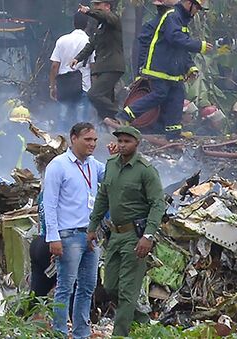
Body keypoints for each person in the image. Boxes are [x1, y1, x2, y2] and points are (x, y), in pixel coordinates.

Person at [87, 126, 165, 336]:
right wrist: (93, 226)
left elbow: (158, 204)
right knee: (111, 286)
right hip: (115, 234)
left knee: (127, 289)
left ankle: (120, 334)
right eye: (119, 141)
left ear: (137, 144)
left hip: (136, 236)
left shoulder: (145, 170)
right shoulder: (111, 165)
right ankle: (143, 320)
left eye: (126, 141)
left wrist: (148, 236)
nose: (122, 145)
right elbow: (103, 197)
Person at [43, 122, 105, 339]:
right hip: (68, 235)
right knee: (65, 287)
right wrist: (53, 237)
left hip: (90, 235)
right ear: (73, 138)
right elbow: (48, 204)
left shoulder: (94, 165)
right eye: (88, 140)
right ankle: (60, 332)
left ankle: (81, 333)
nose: (92, 144)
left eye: (95, 140)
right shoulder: (58, 166)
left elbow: (112, 178)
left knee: (87, 287)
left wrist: (116, 156)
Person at [119, 0, 213, 140]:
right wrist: (199, 46)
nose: (197, 11)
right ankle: (125, 115)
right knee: (160, 94)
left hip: (173, 72)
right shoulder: (172, 16)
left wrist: (190, 68)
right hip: (161, 68)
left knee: (177, 96)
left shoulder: (181, 20)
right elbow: (175, 38)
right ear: (189, 3)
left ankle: (173, 132)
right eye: (197, 8)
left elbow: (181, 49)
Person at [71, 0, 124, 121]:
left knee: (94, 94)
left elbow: (105, 16)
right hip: (103, 67)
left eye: (98, 5)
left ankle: (121, 115)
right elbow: (91, 45)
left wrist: (89, 11)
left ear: (107, 6)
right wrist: (77, 58)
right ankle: (110, 123)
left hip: (112, 66)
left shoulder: (113, 19)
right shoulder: (100, 26)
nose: (95, 7)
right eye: (94, 5)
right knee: (105, 99)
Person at [49, 12, 94, 130]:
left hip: (64, 87)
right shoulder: (89, 41)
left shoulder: (62, 40)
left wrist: (53, 86)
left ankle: (61, 146)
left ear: (73, 23)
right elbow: (93, 66)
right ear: (87, 24)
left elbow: (55, 66)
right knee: (82, 124)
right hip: (83, 86)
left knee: (62, 120)